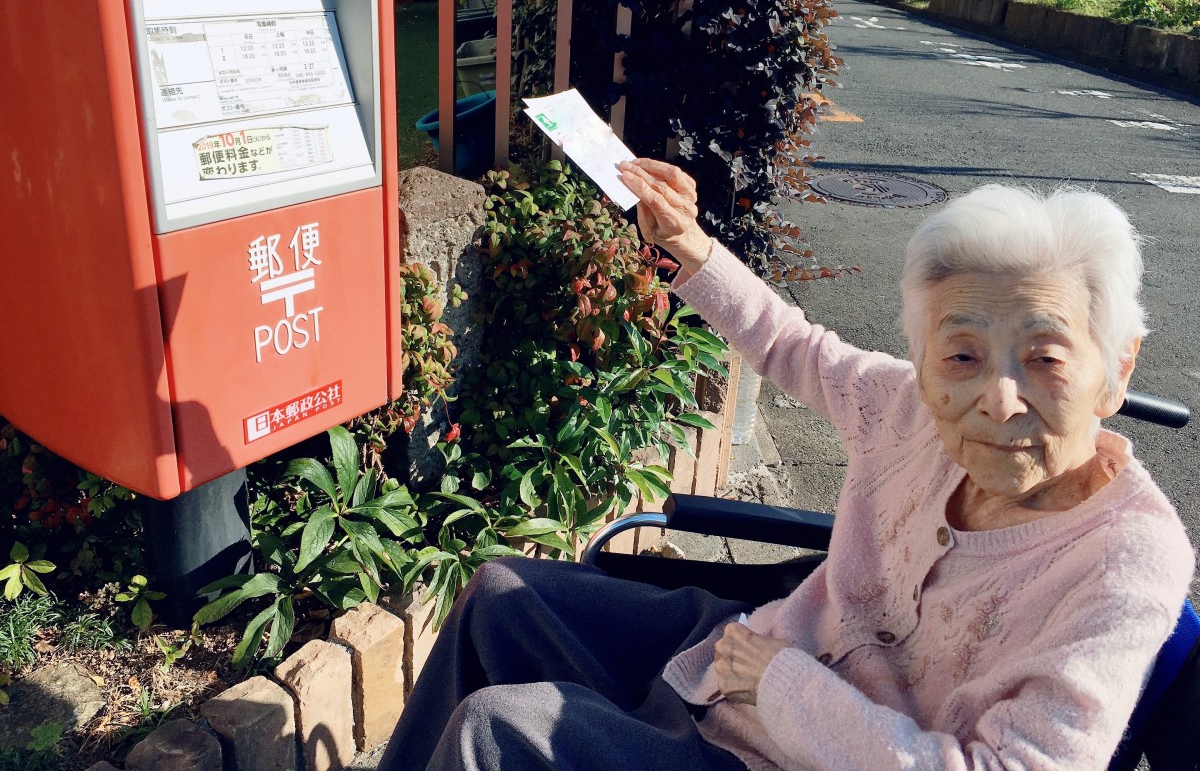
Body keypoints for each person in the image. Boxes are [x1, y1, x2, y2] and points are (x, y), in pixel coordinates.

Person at [378, 159, 1194, 771]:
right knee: (499, 596)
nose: (999, 399)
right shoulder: (911, 407)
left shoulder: (1123, 561)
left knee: (496, 731)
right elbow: (793, 345)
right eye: (962, 355)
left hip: (777, 743)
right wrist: (687, 243)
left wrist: (787, 687)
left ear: (1117, 367)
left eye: (1045, 357)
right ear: (925, 359)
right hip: (743, 657)